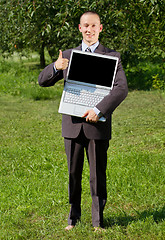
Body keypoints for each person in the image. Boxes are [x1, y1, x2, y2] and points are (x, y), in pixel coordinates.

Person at [38, 11, 128, 231]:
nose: (89, 30)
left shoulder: (112, 57)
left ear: (100, 28)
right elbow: (42, 81)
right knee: (72, 174)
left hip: (97, 125)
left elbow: (121, 88)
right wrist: (55, 68)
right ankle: (73, 219)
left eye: (93, 26)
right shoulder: (68, 55)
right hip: (72, 125)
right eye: (85, 26)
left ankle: (98, 222)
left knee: (98, 175)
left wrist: (99, 109)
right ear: (80, 28)